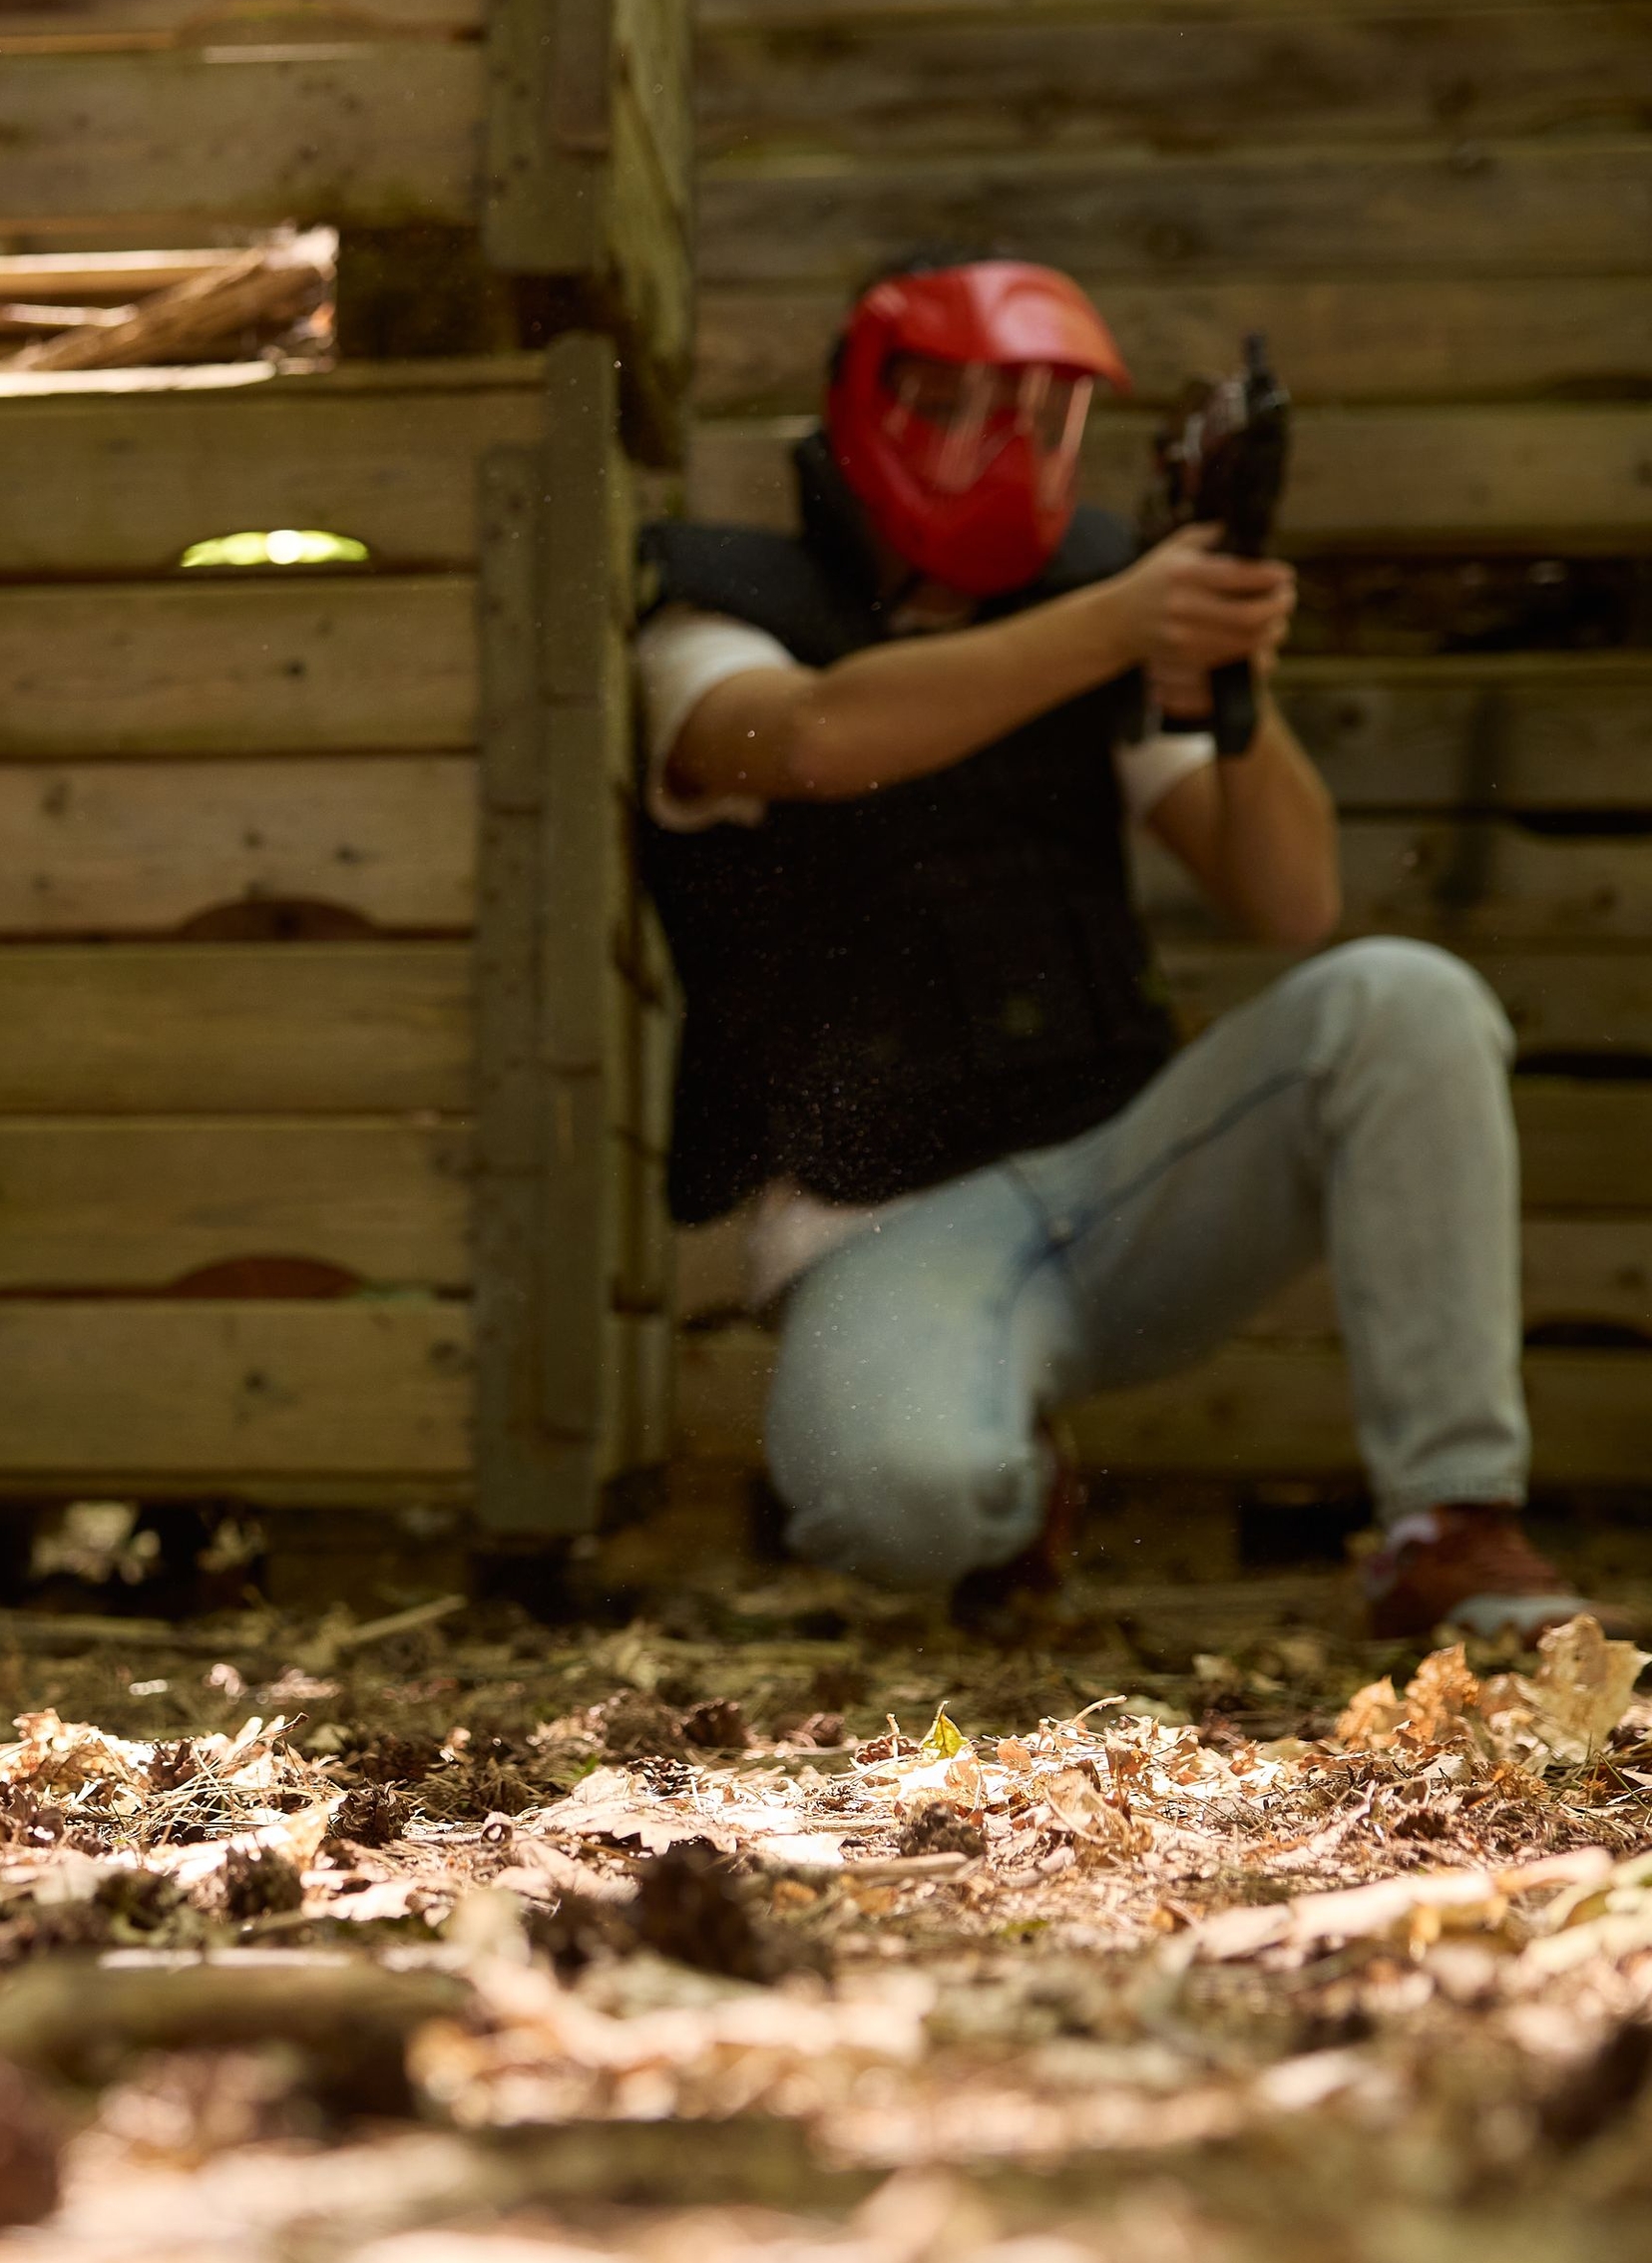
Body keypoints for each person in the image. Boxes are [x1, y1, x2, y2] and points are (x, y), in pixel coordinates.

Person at [636, 252, 1602, 1639]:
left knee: (1403, 998)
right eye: (959, 404)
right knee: (904, 1506)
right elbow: (808, 736)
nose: (1004, 446)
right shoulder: (717, 610)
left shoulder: (1099, 615)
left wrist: (1228, 691)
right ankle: (1012, 1490)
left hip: (1126, 1178)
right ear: (868, 406)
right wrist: (1124, 618)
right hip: (876, 1225)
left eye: (1040, 414)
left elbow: (1291, 901)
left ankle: (1452, 1518)